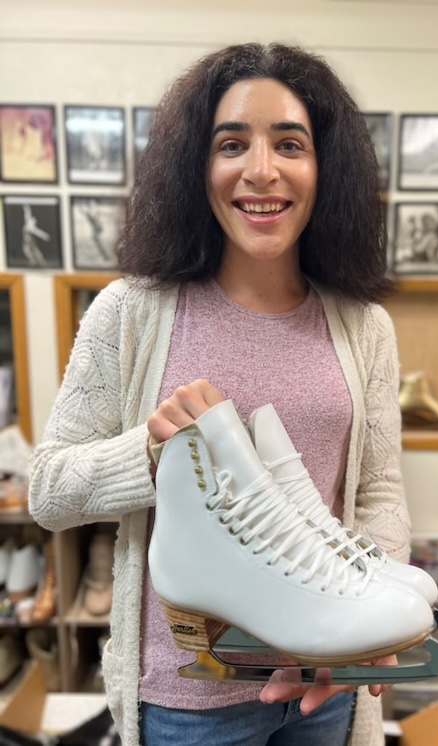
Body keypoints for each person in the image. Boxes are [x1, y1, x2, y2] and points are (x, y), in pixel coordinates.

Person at [29, 43, 416, 746]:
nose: (261, 170)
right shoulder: (129, 313)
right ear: (196, 168)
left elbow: (379, 494)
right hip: (185, 698)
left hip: (318, 685)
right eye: (232, 143)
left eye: (289, 144)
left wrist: (365, 629)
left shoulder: (366, 329)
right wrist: (153, 453)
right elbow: (49, 490)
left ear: (325, 168)